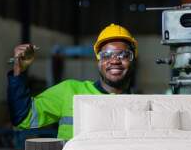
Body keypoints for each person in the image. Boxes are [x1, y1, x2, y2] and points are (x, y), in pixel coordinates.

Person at [7, 24, 138, 140]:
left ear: (132, 60)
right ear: (99, 60)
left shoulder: (142, 106)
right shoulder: (69, 91)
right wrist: (19, 71)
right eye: (106, 55)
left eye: (123, 55)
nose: (114, 61)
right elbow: (23, 119)